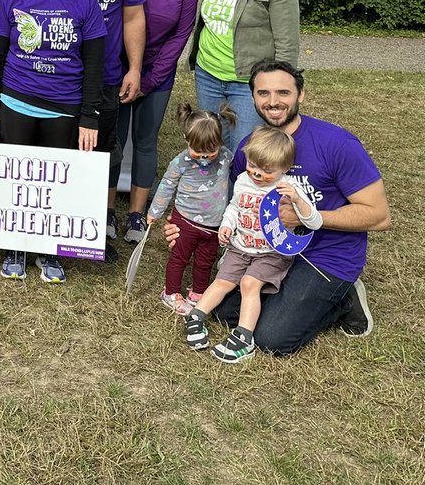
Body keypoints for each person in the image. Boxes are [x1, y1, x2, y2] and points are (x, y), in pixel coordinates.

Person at [164, 59, 392, 355]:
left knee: (272, 338)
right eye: (263, 94)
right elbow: (234, 203)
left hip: (323, 255)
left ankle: (344, 298)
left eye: (283, 93)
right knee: (223, 310)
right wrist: (183, 226)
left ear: (301, 95)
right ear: (253, 97)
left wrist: (309, 217)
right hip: (262, 251)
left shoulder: (337, 144)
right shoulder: (251, 148)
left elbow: (379, 216)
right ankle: (293, 297)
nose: (273, 102)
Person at [0, 0, 106, 284]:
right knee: (18, 179)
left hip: (65, 105)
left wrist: (89, 116)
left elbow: (95, 62)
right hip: (16, 100)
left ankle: (51, 249)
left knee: (56, 183)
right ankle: (16, 246)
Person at [184, 126, 321, 363]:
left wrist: (298, 199)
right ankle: (196, 316)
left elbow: (315, 222)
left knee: (249, 283)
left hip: (270, 252)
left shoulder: (288, 188)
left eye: (266, 170)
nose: (257, 174)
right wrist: (227, 225)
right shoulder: (242, 180)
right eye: (253, 165)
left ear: (285, 169)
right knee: (222, 282)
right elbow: (235, 207)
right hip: (241, 246)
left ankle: (244, 338)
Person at [61, 0, 145, 249]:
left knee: (104, 150)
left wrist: (135, 68)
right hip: (59, 78)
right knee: (60, 150)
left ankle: (102, 214)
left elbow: (133, 19)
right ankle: (61, 215)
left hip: (107, 75)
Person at [116, 0, 199, 244]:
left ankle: (136, 214)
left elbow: (182, 32)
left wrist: (149, 79)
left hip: (158, 74)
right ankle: (105, 212)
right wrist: (125, 70)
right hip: (118, 70)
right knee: (114, 142)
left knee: (146, 142)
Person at [189, 0, 300, 154]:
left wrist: (280, 89)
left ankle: (242, 195)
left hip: (248, 82)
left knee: (245, 152)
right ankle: (220, 194)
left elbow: (287, 43)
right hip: (208, 76)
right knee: (214, 147)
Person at [146, 103, 237, 314]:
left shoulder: (225, 157)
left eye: (210, 152)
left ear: (220, 142)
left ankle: (198, 292)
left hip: (214, 224)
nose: (205, 157)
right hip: (185, 221)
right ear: (187, 140)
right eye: (198, 152)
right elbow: (166, 186)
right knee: (180, 257)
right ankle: (171, 292)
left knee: (206, 261)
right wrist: (154, 213)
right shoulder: (181, 162)